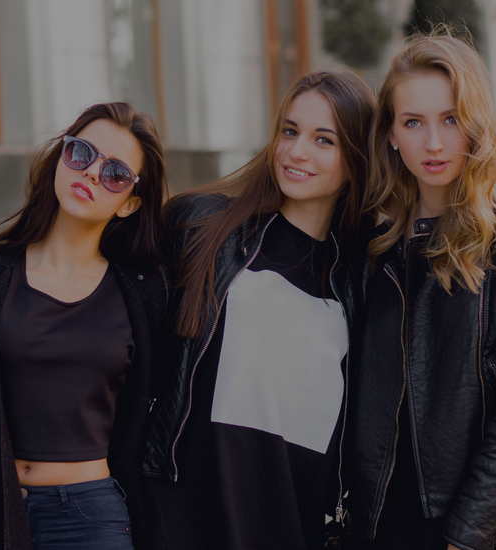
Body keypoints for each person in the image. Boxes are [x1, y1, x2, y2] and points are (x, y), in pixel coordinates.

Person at [342, 31, 496, 550]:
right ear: (391, 134)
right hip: (396, 514)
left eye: (451, 119)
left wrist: (468, 533)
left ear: (477, 123)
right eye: (413, 122)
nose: (434, 143)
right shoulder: (375, 249)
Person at [0, 102, 168, 550]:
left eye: (115, 173)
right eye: (82, 153)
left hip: (91, 522)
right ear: (61, 157)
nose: (92, 173)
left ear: (130, 202)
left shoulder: (144, 296)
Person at [141, 71, 375, 550]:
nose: (296, 151)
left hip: (292, 527)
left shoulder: (366, 281)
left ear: (357, 159)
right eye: (290, 131)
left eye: (323, 140)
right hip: (179, 522)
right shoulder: (201, 227)